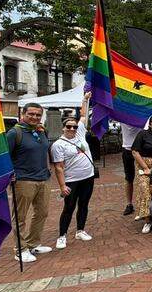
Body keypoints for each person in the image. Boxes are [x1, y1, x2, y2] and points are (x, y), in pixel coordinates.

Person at [7, 102, 52, 263]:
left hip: (43, 179)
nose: (34, 117)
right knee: (20, 216)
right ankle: (20, 249)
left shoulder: (41, 131)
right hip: (23, 180)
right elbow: (5, 157)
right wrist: (10, 174)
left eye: (38, 115)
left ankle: (33, 243)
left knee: (42, 213)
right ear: (23, 114)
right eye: (31, 114)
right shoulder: (15, 133)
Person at [51, 92, 96, 250]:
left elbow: (83, 115)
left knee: (84, 204)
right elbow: (59, 167)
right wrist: (62, 186)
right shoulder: (58, 145)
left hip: (88, 177)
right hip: (72, 180)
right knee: (69, 207)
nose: (72, 129)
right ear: (63, 128)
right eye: (68, 127)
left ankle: (80, 230)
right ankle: (62, 235)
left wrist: (85, 99)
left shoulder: (80, 133)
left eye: (74, 127)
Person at [119, 122, 141, 217]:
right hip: (127, 149)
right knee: (129, 178)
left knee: (143, 177)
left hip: (141, 149)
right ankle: (129, 204)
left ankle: (143, 203)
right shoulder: (122, 116)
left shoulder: (141, 113)